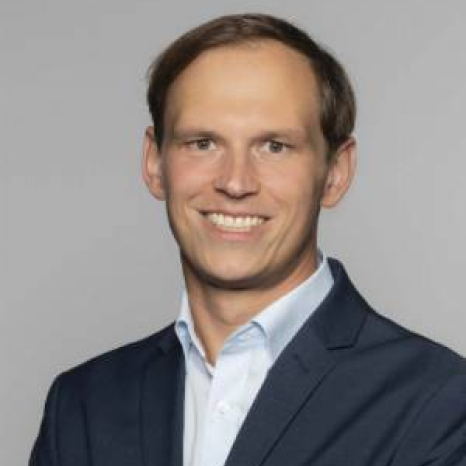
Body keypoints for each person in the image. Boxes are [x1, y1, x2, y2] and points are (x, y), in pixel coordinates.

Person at [30, 13, 466, 466]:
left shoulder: (439, 403)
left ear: (336, 173)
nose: (235, 182)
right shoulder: (82, 405)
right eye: (203, 143)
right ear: (154, 163)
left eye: (274, 146)